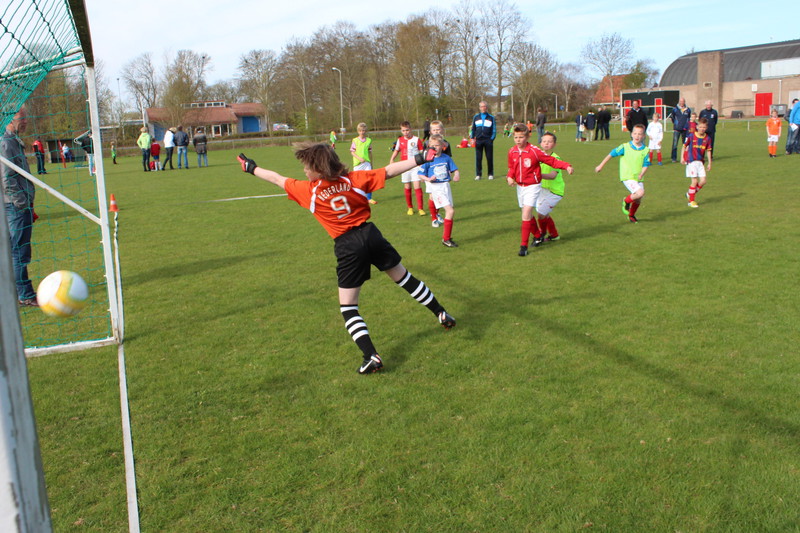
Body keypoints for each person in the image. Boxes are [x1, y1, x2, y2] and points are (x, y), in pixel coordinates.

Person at [235, 143, 454, 375]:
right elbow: (389, 171)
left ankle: (371, 356)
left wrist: (251, 168)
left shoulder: (309, 190)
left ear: (319, 169)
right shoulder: (353, 180)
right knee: (405, 279)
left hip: (348, 246)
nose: (304, 171)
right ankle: (441, 313)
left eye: (307, 167)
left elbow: (277, 179)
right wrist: (420, 157)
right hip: (371, 235)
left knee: (349, 307)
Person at [507, 124, 574, 256]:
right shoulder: (512, 151)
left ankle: (523, 246)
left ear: (527, 137)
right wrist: (509, 177)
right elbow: (512, 167)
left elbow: (552, 161)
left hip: (533, 186)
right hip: (520, 187)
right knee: (527, 214)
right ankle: (538, 235)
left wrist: (567, 166)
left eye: (521, 137)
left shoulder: (534, 151)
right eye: (516, 137)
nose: (518, 140)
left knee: (526, 212)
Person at [1, 106, 37, 306]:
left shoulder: (13, 141)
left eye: (26, 118)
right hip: (15, 207)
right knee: (18, 251)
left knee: (15, 250)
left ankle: (15, 293)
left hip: (19, 205)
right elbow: (7, 179)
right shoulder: (6, 143)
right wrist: (23, 204)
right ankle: (25, 294)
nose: (25, 121)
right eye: (21, 118)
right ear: (9, 119)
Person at [594, 123, 651, 223]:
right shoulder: (625, 147)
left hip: (638, 177)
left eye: (639, 134)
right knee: (640, 193)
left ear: (643, 136)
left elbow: (646, 165)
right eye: (635, 133)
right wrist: (600, 165)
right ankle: (626, 201)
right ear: (631, 134)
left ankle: (631, 215)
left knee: (638, 198)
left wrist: (642, 174)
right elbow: (611, 154)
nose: (637, 136)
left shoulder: (646, 150)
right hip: (627, 176)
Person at [418, 134, 460, 247]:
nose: (435, 148)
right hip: (436, 188)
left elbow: (455, 169)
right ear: (429, 146)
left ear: (442, 146)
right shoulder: (428, 160)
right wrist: (428, 179)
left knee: (450, 212)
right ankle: (446, 239)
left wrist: (456, 175)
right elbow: (420, 174)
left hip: (446, 186)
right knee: (450, 211)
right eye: (432, 146)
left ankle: (446, 237)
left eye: (437, 145)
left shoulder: (446, 158)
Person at [536, 132, 568, 242]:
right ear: (540, 143)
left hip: (555, 192)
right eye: (544, 141)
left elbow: (552, 176)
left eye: (549, 142)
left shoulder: (556, 158)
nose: (546, 143)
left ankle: (541, 234)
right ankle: (554, 235)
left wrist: (536, 175)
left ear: (554, 144)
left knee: (541, 214)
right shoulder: (537, 156)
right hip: (542, 190)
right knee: (545, 214)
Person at [389, 121, 425, 216]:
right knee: (407, 187)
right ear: (401, 131)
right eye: (403, 130)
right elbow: (396, 150)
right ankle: (410, 207)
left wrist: (422, 165)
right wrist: (392, 159)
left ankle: (420, 208)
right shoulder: (400, 140)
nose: (405, 132)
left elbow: (422, 153)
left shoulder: (416, 140)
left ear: (411, 129)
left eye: (407, 130)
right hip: (404, 167)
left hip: (415, 166)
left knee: (417, 186)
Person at [423, 120, 450, 227]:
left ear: (442, 130)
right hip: (430, 175)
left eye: (438, 129)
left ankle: (436, 213)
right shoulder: (427, 144)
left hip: (441, 175)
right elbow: (423, 159)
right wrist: (423, 175)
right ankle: (433, 218)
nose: (436, 131)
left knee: (440, 196)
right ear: (430, 131)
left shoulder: (446, 144)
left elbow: (448, 159)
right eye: (434, 130)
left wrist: (449, 171)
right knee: (432, 196)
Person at [681, 117, 712, 208]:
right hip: (691, 161)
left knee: (703, 181)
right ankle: (691, 201)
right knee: (694, 181)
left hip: (700, 162)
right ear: (697, 126)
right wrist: (682, 157)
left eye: (704, 127)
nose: (702, 129)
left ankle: (689, 193)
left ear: (706, 128)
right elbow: (684, 146)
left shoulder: (707, 138)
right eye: (701, 127)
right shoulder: (691, 136)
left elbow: (708, 151)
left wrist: (710, 163)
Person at [349, 122, 375, 204]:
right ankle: (357, 198)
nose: (362, 132)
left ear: (366, 131)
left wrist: (371, 163)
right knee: (357, 182)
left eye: (363, 130)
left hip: (367, 163)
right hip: (357, 164)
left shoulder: (369, 140)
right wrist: (359, 158)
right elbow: (352, 152)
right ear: (358, 131)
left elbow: (370, 152)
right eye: (360, 131)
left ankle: (369, 198)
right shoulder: (355, 140)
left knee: (369, 180)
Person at [470, 101, 496, 180]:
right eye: (481, 106)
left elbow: (494, 129)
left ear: (487, 107)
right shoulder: (476, 117)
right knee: (478, 158)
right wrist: (472, 137)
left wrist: (491, 139)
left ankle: (490, 174)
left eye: (484, 106)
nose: (483, 108)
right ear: (479, 108)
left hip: (488, 140)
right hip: (478, 140)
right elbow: (473, 128)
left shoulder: (491, 117)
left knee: (489, 157)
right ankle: (478, 174)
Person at [669, 97, 691, 162]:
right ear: (679, 102)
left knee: (685, 144)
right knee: (675, 144)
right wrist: (676, 124)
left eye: (683, 101)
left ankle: (685, 157)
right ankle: (674, 158)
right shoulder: (675, 109)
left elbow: (689, 118)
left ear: (684, 102)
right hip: (677, 129)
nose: (682, 103)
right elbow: (672, 118)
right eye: (681, 101)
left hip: (685, 129)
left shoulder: (688, 110)